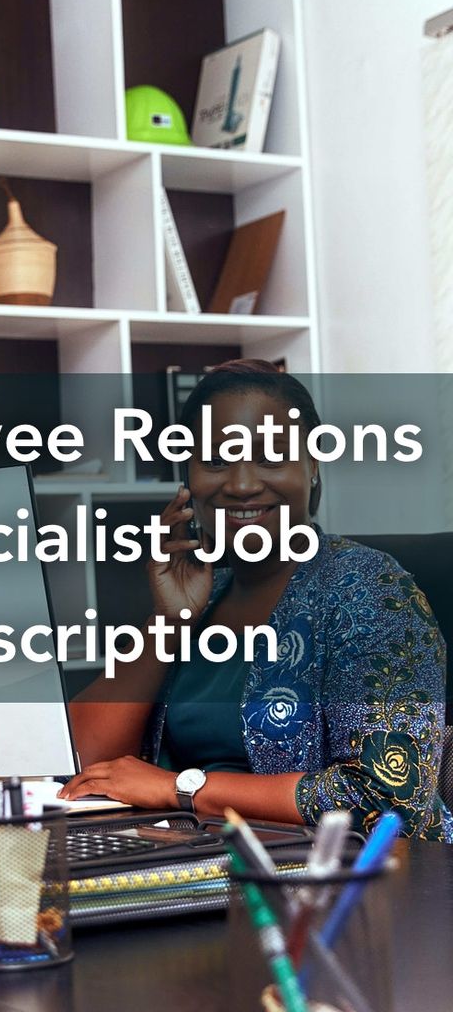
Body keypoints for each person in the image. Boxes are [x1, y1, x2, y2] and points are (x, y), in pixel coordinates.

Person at [61, 360, 452, 841]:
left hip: (351, 884)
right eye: (218, 460)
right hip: (193, 862)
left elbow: (388, 798)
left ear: (312, 466)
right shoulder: (208, 593)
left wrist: (179, 788)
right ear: (189, 477)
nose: (242, 484)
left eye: (270, 457)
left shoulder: (370, 590)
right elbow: (81, 762)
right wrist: (169, 622)